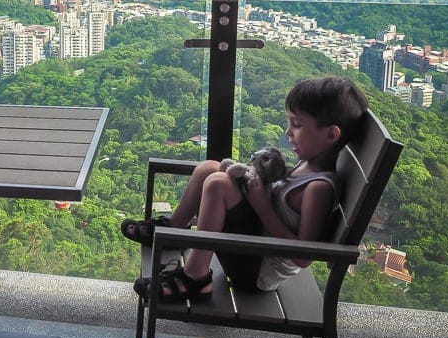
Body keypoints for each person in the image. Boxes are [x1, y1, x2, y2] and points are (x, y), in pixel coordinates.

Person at [123, 76, 368, 301]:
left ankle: (194, 278)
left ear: (331, 135)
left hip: (258, 270)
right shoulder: (307, 164)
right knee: (210, 168)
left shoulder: (318, 189)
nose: (288, 131)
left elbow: (302, 257)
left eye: (297, 124)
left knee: (218, 184)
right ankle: (175, 230)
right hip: (255, 244)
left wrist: (262, 208)